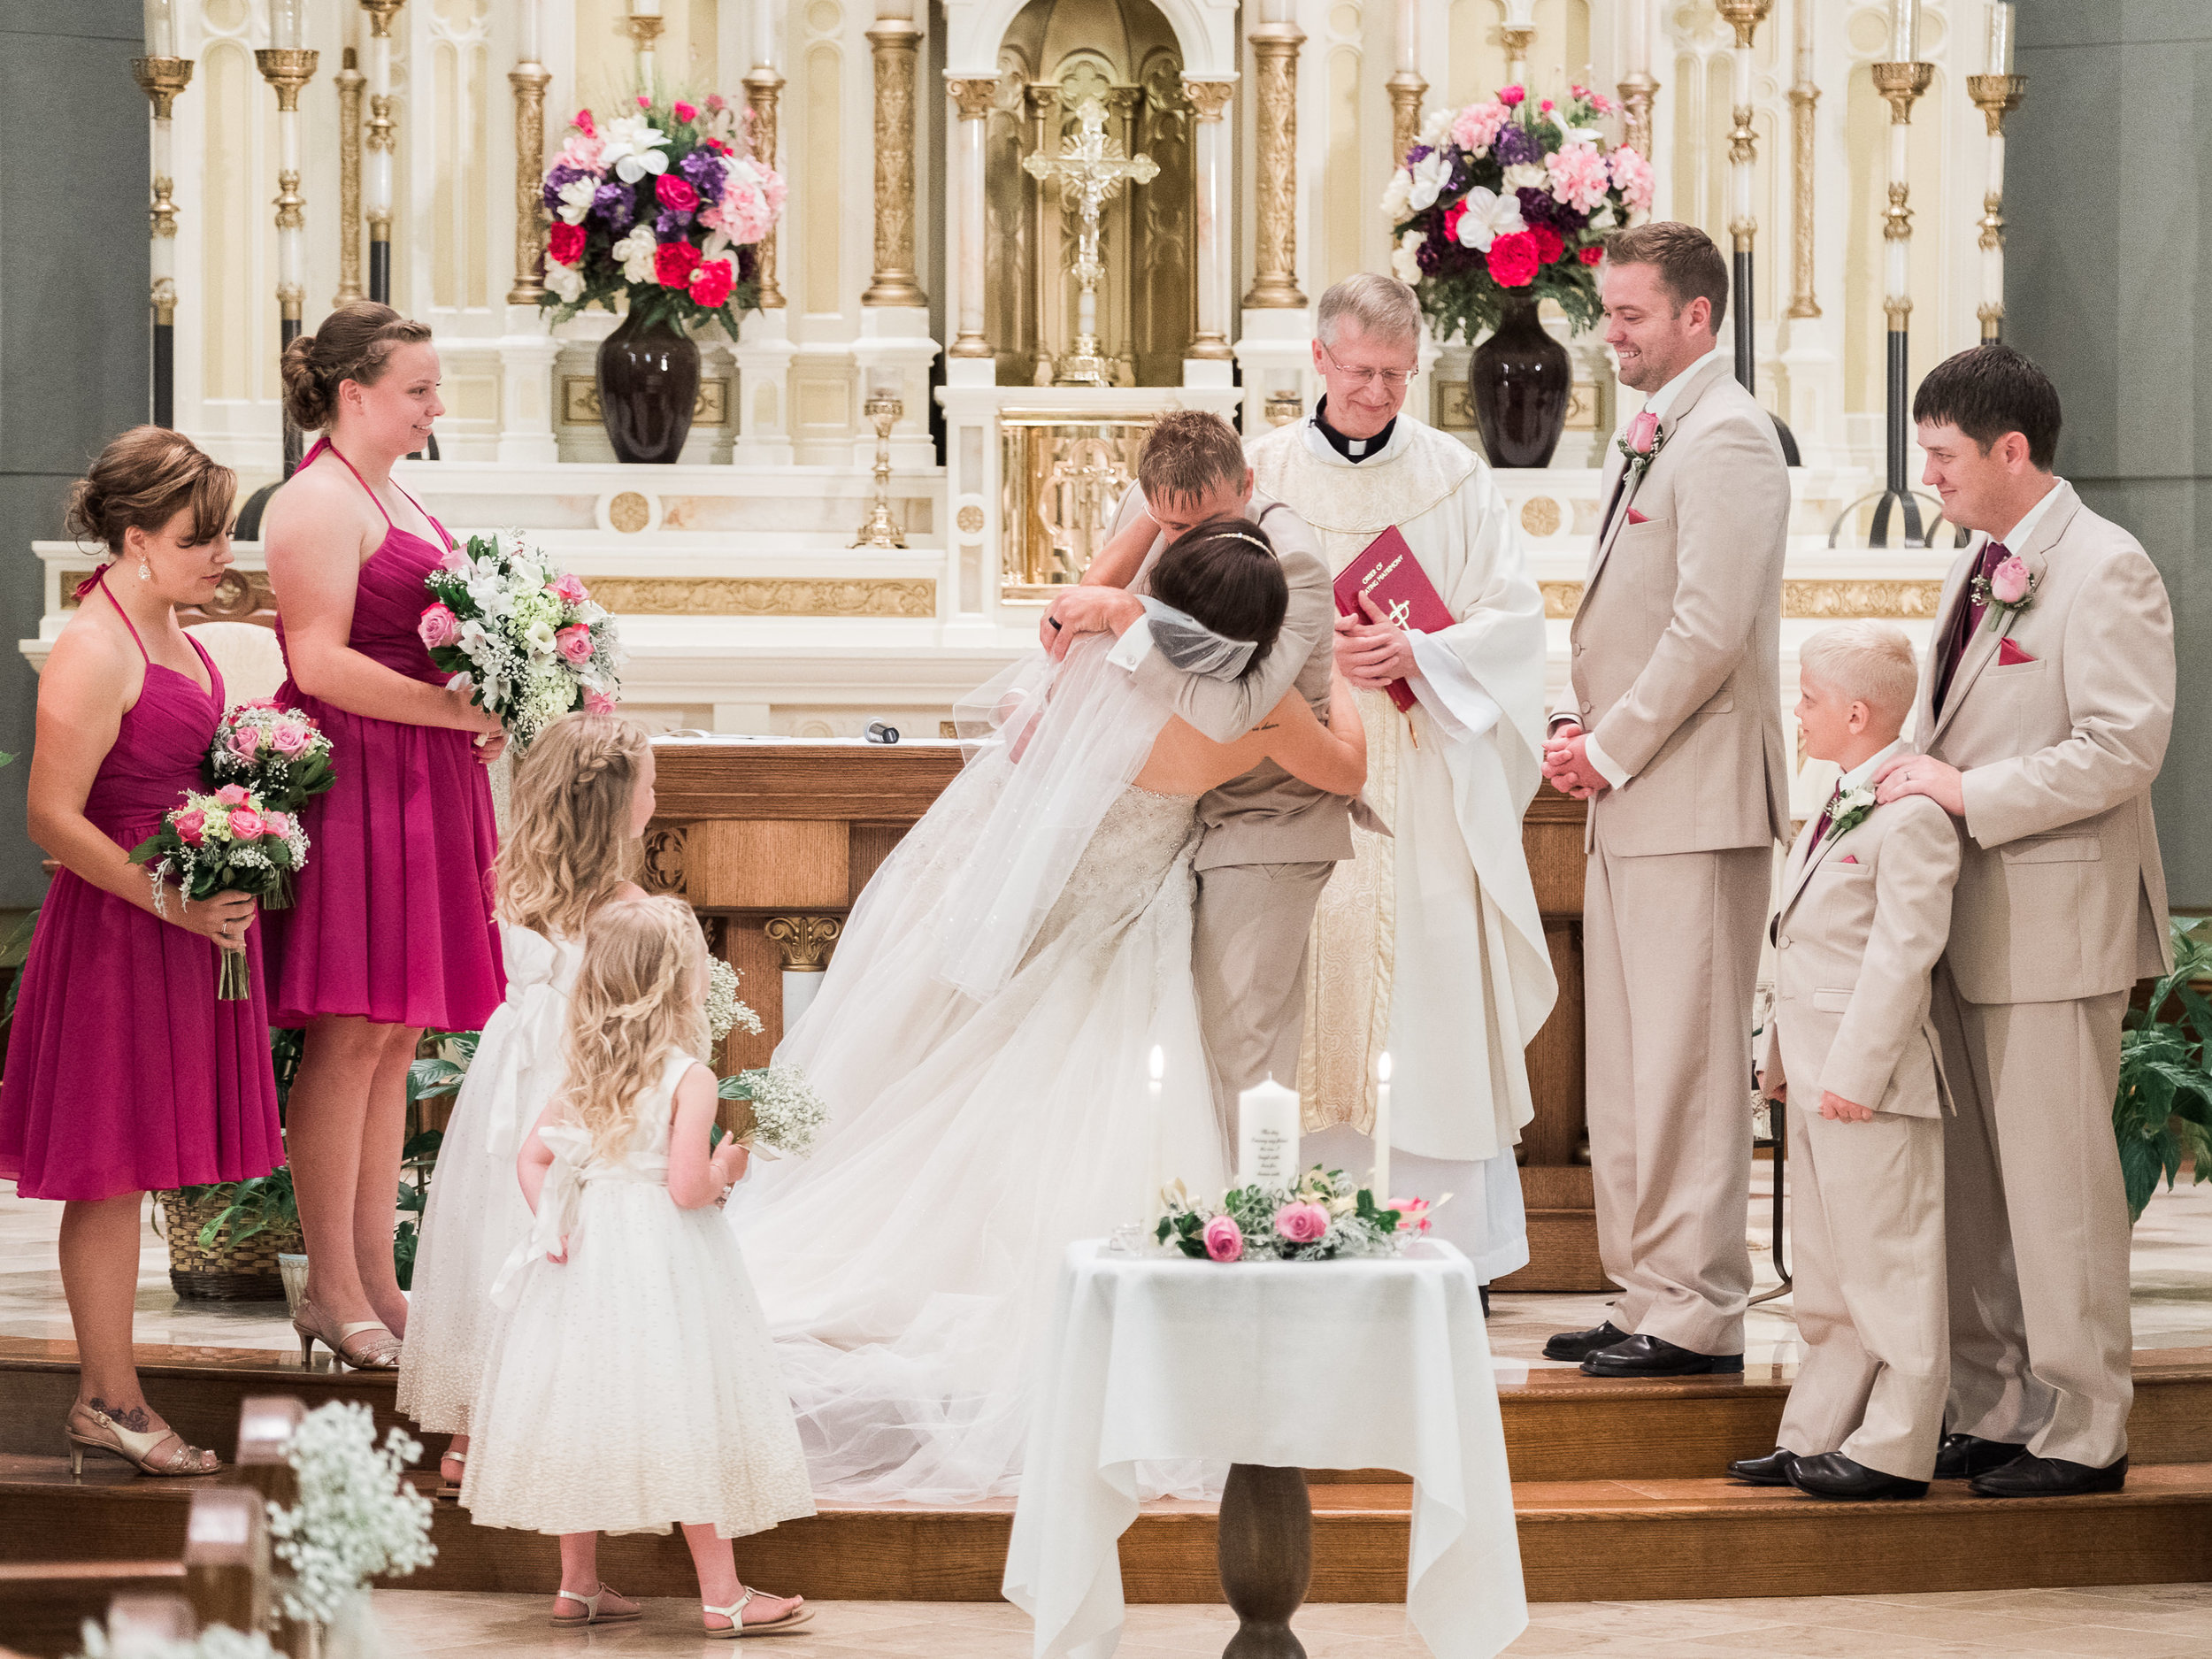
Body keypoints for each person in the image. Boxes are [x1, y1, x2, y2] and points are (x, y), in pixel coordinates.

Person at [731, 519, 1368, 1502]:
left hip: (1047, 906)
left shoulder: (1105, 665)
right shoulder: (1268, 712)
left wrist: (1122, 594)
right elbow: (1348, 771)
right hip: (1127, 924)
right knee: (1071, 1116)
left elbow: (1027, 741)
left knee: (970, 1092)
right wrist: (1352, 689)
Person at [1874, 343, 2173, 1498]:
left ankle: (2086, 1424)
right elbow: (1956, 724)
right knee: (1983, 1191)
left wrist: (1963, 794)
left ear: (2012, 449)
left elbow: (2121, 745)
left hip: (2056, 918)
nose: (1930, 474)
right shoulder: (1982, 560)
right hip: (1971, 911)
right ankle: (1999, 1405)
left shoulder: (2108, 569)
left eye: (1944, 454)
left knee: (2059, 1189)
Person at [1254, 273, 1554, 1287]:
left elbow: (1513, 624)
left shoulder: (1455, 478)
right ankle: (1285, 1234)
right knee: (1293, 993)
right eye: (1361, 371)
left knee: (1423, 1005)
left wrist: (1418, 650)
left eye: (1396, 374)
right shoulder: (1263, 474)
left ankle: (1438, 1253)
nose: (1379, 391)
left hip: (1421, 778)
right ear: (1320, 360)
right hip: (1295, 771)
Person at [0, 427, 281, 1475]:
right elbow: (50, 818)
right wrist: (170, 901)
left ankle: (112, 1397)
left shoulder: (174, 628)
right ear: (134, 539)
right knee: (108, 1175)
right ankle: (107, 1402)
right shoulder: (95, 644)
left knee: (143, 1166)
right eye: (200, 537)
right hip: (122, 932)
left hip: (177, 926)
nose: (222, 555)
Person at [1540, 223, 1791, 1379]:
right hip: (1635, 792)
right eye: (1609, 310)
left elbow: (1708, 629)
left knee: (1687, 1063)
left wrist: (1614, 745)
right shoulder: (1647, 432)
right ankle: (1650, 1291)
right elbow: (1616, 616)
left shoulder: (1730, 436)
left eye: (1630, 313)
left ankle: (1697, 1305)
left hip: (1692, 794)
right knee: (1632, 1065)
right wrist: (1571, 724)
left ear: (1697, 316)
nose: (1611, 334)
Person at [261, 302, 507, 1372]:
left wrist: (498, 686)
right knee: (351, 1029)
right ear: (354, 393)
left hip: (416, 775)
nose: (433, 408)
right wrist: (458, 709)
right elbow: (315, 661)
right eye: (417, 390)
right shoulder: (313, 500)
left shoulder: (392, 492)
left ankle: (376, 1279)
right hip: (358, 778)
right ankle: (328, 1285)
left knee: (397, 1034)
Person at [461, 896, 814, 1635]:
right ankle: (723, 1593)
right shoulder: (690, 1076)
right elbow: (687, 1187)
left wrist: (553, 1224)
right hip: (663, 1255)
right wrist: (730, 1161)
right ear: (680, 987)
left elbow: (532, 1157)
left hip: (586, 1252)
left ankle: (579, 1584)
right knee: (684, 1402)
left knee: (582, 1401)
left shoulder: (584, 1070)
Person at [1041, 410, 1350, 1134]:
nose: (1192, 543)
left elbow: (1235, 713)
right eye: (1172, 524)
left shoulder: (1294, 561)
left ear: (1247, 484)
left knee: (1239, 1052)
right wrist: (1150, 528)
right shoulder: (1163, 512)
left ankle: (1253, 1228)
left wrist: (1126, 619)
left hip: (1262, 810)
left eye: (1207, 519)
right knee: (1159, 1041)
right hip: (1178, 813)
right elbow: (1072, 615)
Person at [396, 711, 656, 1492]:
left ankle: (469, 1438)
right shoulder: (624, 901)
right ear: (616, 805)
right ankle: (557, 1425)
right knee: (560, 1240)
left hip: (509, 1078)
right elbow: (624, 1017)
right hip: (575, 1087)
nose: (656, 797)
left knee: (488, 1237)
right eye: (650, 784)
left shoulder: (512, 879)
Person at [1729, 623, 1958, 1502]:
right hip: (1816, 1075)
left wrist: (1856, 1075)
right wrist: (1782, 1059)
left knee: (1887, 1269)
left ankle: (1896, 1447)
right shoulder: (1838, 796)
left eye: (1810, 699)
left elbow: (1902, 955)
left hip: (1873, 1085)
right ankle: (1817, 1430)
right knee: (1825, 1274)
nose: (1799, 711)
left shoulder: (1911, 817)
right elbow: (1804, 944)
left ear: (1857, 713)